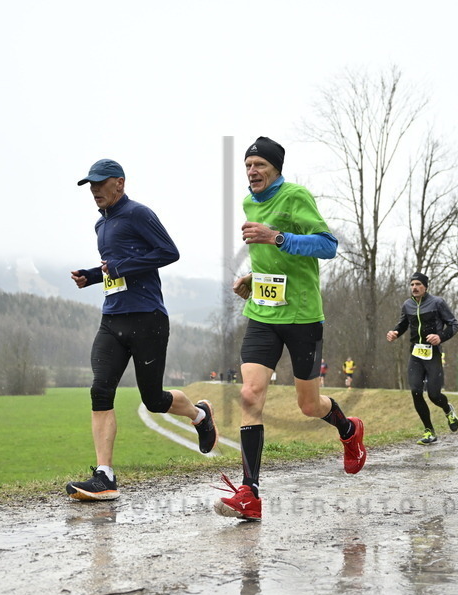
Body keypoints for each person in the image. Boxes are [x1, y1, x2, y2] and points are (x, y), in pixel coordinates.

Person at [214, 136, 367, 521]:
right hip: (263, 314)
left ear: (276, 168)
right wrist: (252, 277)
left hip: (301, 317)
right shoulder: (249, 202)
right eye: (248, 166)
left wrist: (276, 235)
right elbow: (270, 258)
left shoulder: (297, 197)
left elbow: (328, 246)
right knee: (250, 394)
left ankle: (348, 429)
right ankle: (250, 493)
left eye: (260, 165)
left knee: (308, 405)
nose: (252, 172)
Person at [65, 158, 218, 500]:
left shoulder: (139, 214)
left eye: (100, 183)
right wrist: (91, 276)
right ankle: (105, 476)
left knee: (153, 399)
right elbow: (115, 267)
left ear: (119, 183)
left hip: (147, 318)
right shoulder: (99, 226)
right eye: (90, 185)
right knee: (100, 391)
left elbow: (168, 252)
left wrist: (122, 266)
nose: (94, 190)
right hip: (112, 319)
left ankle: (199, 414)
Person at [385, 273, 458, 445]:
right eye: (412, 284)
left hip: (433, 354)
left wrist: (440, 337)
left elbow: (454, 324)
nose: (414, 287)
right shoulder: (407, 305)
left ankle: (448, 410)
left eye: (418, 284)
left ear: (425, 286)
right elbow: (403, 324)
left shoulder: (437, 303)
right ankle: (429, 431)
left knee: (434, 395)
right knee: (416, 391)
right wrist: (395, 332)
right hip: (416, 355)